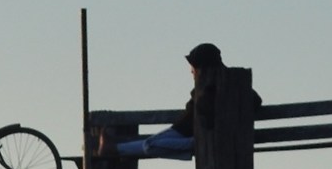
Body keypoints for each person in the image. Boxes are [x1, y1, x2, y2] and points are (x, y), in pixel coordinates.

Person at [109, 43, 258, 160]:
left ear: (202, 67)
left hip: (192, 134)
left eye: (194, 67)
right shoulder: (230, 82)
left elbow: (204, 111)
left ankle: (115, 148)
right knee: (151, 144)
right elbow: (256, 101)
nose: (191, 71)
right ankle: (114, 148)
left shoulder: (211, 87)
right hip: (186, 132)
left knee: (150, 144)